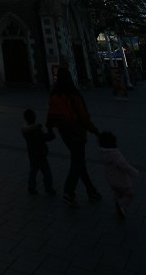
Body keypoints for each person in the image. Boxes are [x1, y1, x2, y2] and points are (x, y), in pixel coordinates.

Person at [47, 66, 102, 207]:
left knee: (79, 162)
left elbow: (50, 114)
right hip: (76, 132)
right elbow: (83, 116)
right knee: (78, 162)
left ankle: (91, 191)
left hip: (64, 132)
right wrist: (94, 130)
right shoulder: (73, 94)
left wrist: (50, 129)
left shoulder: (55, 93)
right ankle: (68, 192)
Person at [98, 131, 139, 219]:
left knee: (117, 193)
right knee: (129, 195)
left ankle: (119, 207)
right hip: (121, 180)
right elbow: (124, 165)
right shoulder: (115, 154)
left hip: (111, 180)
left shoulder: (102, 153)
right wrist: (134, 172)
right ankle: (120, 204)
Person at [22, 108, 56, 195]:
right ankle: (48, 189)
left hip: (32, 154)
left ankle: (31, 187)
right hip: (41, 154)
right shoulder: (37, 130)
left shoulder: (25, 130)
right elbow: (48, 137)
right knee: (47, 173)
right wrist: (50, 129)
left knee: (33, 171)